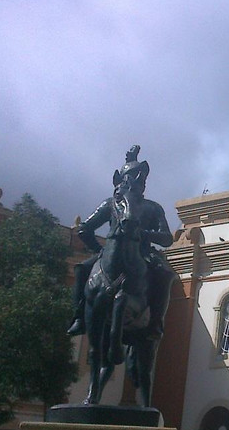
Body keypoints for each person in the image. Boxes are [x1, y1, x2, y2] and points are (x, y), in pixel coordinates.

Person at [67, 145, 176, 340]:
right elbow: (84, 228)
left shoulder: (153, 208)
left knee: (165, 275)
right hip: (111, 250)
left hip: (143, 253)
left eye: (141, 179)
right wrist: (100, 250)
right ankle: (79, 317)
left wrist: (143, 234)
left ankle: (155, 322)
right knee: (81, 269)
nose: (138, 182)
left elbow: (167, 238)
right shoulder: (110, 203)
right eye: (135, 177)